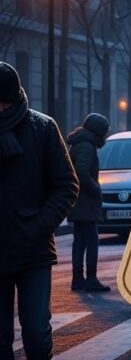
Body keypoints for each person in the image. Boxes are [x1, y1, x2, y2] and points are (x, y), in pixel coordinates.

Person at [0, 62, 79, 360]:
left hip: (32, 249)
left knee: (35, 331)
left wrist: (39, 225)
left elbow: (67, 185)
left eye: (4, 102)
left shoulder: (42, 127)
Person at [67, 113, 111, 292]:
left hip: (78, 201)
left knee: (80, 241)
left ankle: (78, 279)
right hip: (84, 202)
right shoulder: (87, 146)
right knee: (91, 240)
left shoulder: (81, 143)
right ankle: (90, 279)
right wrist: (96, 189)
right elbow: (82, 173)